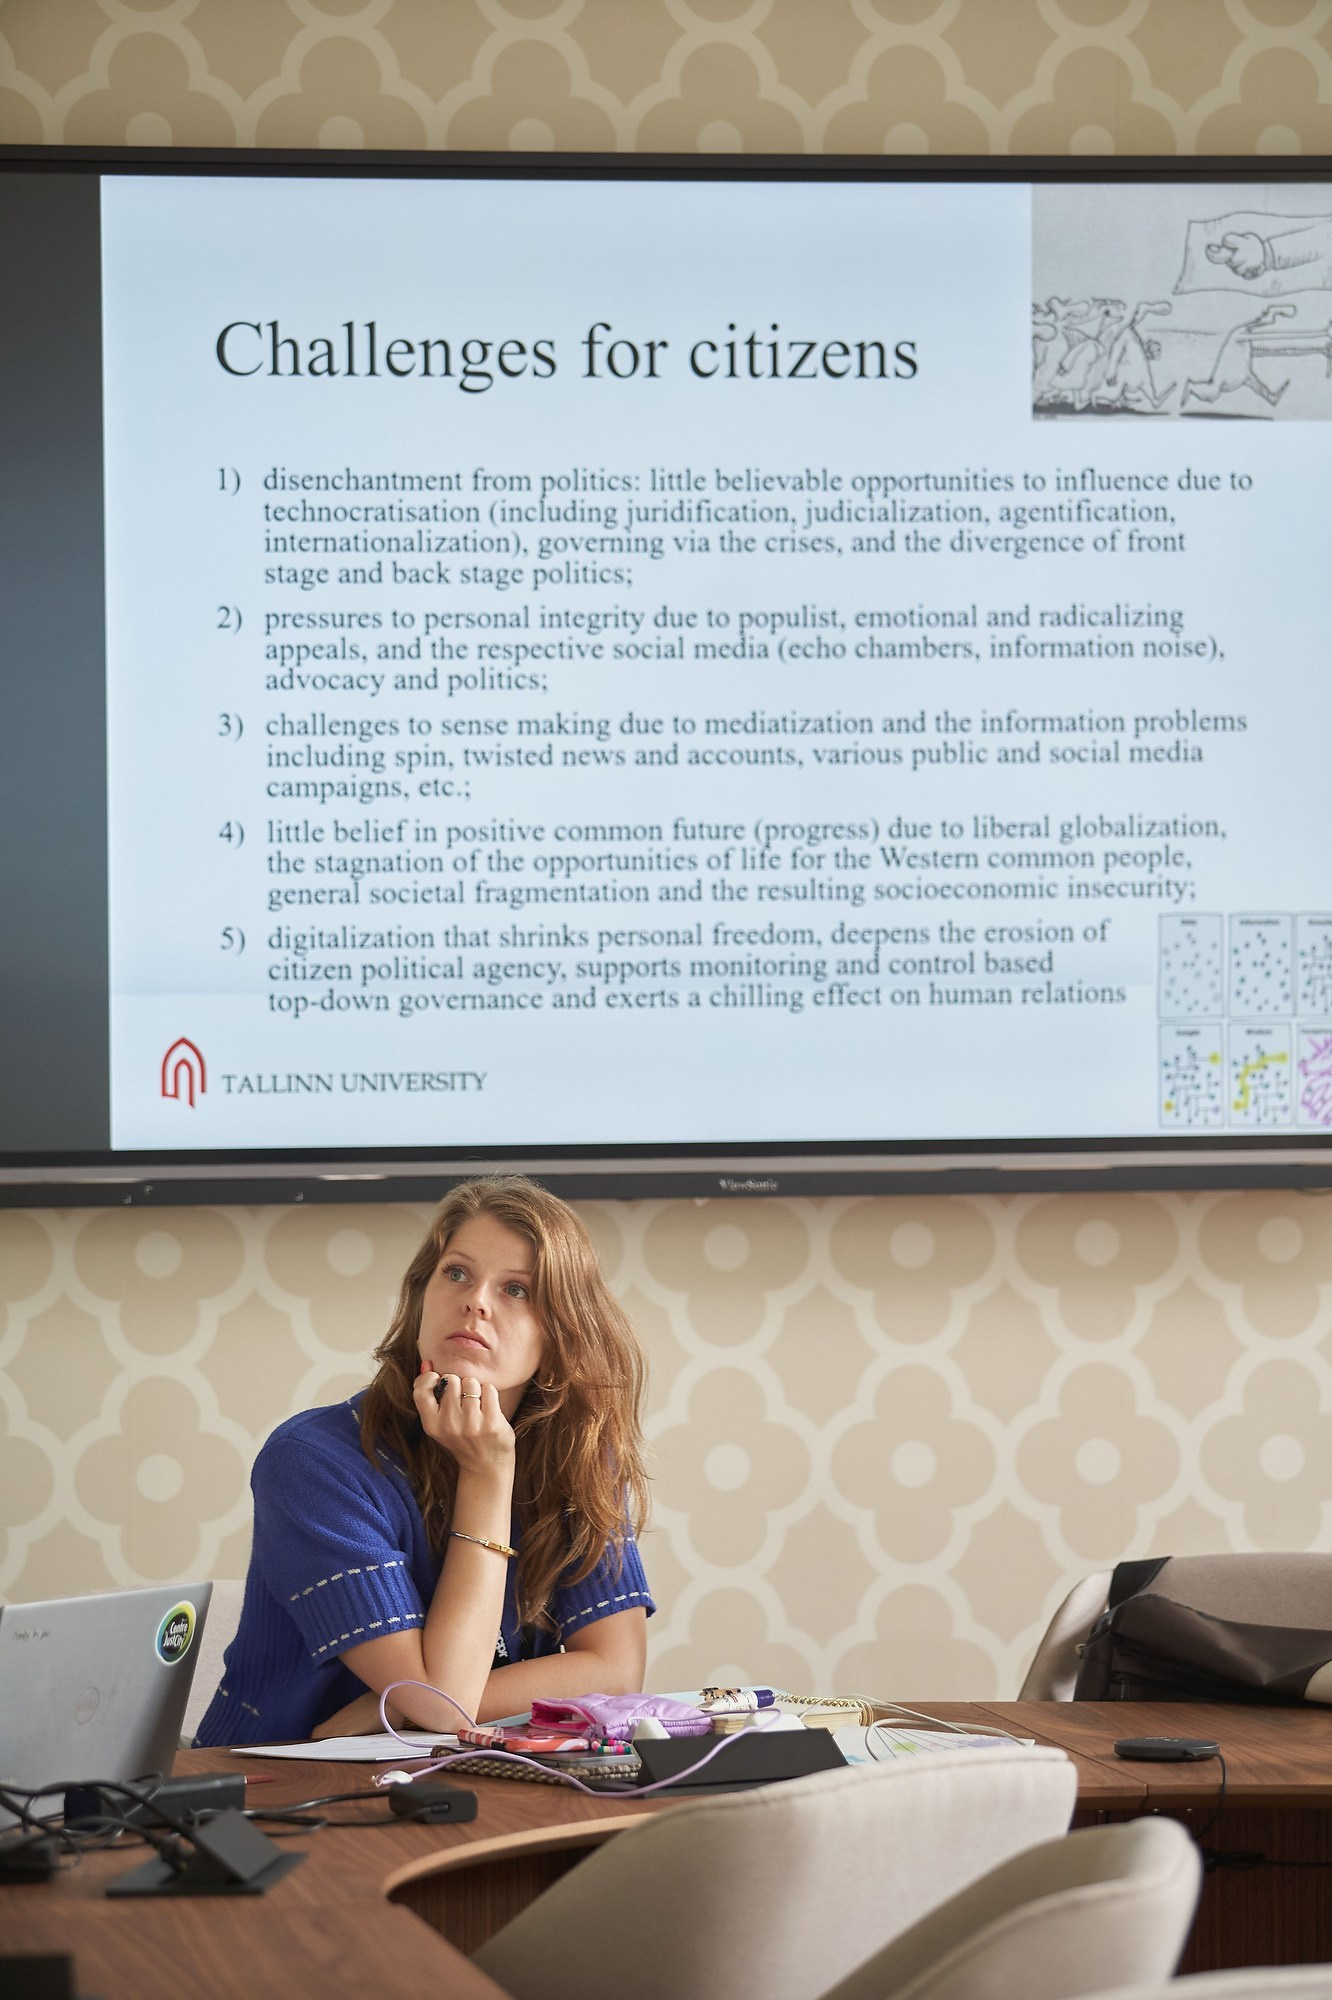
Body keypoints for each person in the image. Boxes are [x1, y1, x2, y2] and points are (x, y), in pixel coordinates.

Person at [194, 1176, 652, 1745]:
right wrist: (487, 1474)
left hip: (469, 1773)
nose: (476, 1301)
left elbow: (616, 1670)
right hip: (280, 1786)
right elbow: (443, 1701)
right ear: (419, 1299)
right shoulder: (313, 1463)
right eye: (456, 1273)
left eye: (518, 1290)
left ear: (560, 1332)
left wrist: (389, 1710)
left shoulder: (578, 1453)